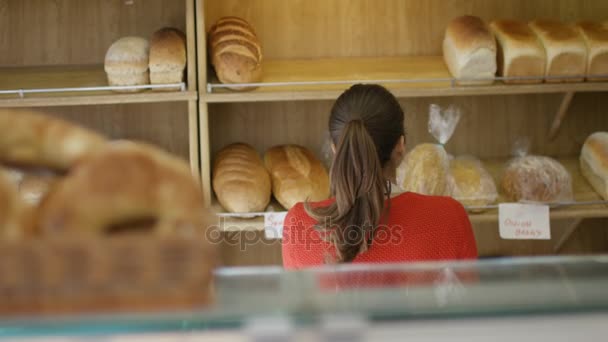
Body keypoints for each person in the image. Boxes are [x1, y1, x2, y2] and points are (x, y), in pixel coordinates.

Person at [282, 84, 477, 270]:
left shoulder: (299, 223)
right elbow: (466, 300)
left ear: (336, 151)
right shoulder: (449, 217)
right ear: (400, 146)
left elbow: (301, 304)